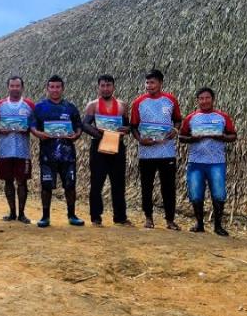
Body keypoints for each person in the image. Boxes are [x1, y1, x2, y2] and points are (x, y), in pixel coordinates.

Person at [179, 87, 238, 236]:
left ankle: (218, 226)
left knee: (219, 194)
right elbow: (181, 137)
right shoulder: (191, 118)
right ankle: (199, 224)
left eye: (207, 98)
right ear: (197, 100)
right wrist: (192, 139)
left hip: (216, 162)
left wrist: (222, 137)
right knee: (195, 193)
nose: (204, 101)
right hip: (195, 162)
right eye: (201, 98)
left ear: (213, 99)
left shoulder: (222, 117)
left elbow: (233, 135)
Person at [130, 69, 182, 230]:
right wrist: (140, 139)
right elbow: (133, 126)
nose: (149, 86)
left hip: (167, 152)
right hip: (146, 153)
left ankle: (170, 220)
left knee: (168, 187)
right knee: (146, 186)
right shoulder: (139, 102)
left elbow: (178, 120)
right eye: (147, 82)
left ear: (160, 83)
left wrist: (175, 130)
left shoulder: (171, 100)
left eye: (152, 82)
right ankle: (148, 218)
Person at [31, 75, 85, 228]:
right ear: (47, 88)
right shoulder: (40, 107)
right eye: (52, 87)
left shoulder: (70, 107)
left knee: (70, 185)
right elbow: (32, 127)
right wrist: (39, 134)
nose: (55, 90)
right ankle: (45, 217)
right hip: (47, 155)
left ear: (63, 88)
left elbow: (79, 126)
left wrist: (76, 135)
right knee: (46, 185)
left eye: (58, 87)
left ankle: (72, 215)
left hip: (68, 156)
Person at [81, 74, 132, 226]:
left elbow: (128, 125)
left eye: (108, 85)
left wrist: (127, 129)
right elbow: (85, 124)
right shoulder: (93, 105)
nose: (105, 89)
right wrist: (100, 134)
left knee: (118, 183)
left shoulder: (122, 105)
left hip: (117, 145)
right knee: (97, 182)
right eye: (102, 85)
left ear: (113, 87)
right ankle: (96, 217)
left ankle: (120, 217)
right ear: (98, 87)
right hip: (99, 146)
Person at [0, 76, 35, 224]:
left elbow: (35, 125)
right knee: (8, 181)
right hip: (5, 150)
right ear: (8, 87)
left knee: (22, 182)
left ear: (22, 87)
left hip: (23, 151)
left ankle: (22, 214)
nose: (15, 88)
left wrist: (28, 129)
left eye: (17, 86)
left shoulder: (29, 105)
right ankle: (12, 212)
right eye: (12, 86)